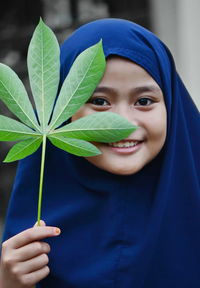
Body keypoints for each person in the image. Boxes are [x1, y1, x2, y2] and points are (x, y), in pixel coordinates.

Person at [0, 18, 200, 288]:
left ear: (171, 107)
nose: (122, 124)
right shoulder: (31, 235)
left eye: (144, 101)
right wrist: (9, 284)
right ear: (62, 111)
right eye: (99, 102)